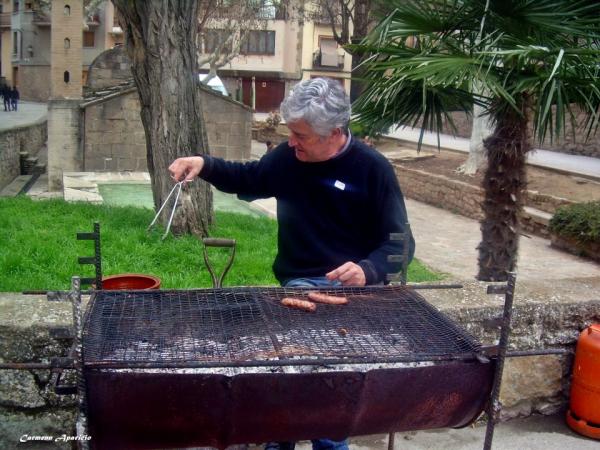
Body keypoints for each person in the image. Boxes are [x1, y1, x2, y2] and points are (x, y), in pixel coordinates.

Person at [168, 77, 415, 450]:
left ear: (334, 132)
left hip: (353, 299)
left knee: (328, 398)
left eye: (300, 135)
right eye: (290, 132)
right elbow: (249, 177)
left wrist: (369, 269)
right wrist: (204, 164)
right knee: (288, 388)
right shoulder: (289, 159)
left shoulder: (372, 169)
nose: (291, 141)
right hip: (297, 287)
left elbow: (401, 243)